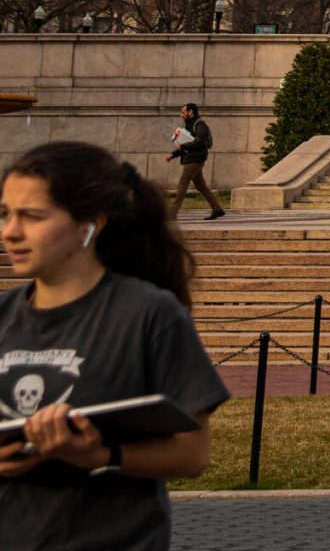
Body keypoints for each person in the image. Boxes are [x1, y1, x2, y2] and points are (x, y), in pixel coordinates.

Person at [0, 141, 226, 550]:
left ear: (90, 225)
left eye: (32, 216)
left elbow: (193, 454)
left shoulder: (148, 313)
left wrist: (101, 456)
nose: (10, 231)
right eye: (5, 214)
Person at [163, 104, 223, 221]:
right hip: (191, 158)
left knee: (183, 182)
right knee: (200, 185)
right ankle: (217, 209)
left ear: (190, 112)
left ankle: (172, 212)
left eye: (183, 112)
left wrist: (183, 146)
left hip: (196, 159)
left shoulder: (200, 124)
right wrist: (173, 155)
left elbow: (199, 142)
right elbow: (185, 143)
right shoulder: (189, 125)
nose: (181, 115)